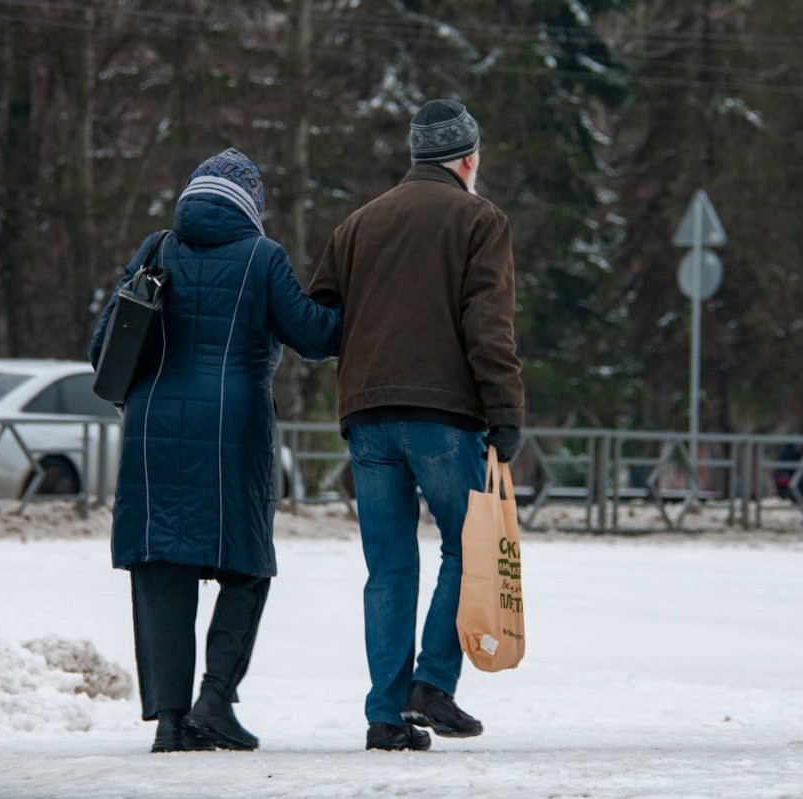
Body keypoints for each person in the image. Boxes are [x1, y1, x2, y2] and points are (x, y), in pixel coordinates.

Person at [88, 148, 340, 753]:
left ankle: (171, 722)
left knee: (161, 568)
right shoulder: (263, 257)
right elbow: (313, 335)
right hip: (234, 427)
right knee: (246, 566)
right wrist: (358, 301)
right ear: (251, 203)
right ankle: (216, 702)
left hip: (151, 427)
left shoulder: (156, 249)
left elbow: (104, 347)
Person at [309, 99, 525, 752]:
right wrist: (507, 409)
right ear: (466, 159)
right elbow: (487, 324)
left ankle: (384, 714)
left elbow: (320, 320)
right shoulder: (479, 219)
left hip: (367, 419)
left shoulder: (357, 224)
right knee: (470, 546)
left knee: (389, 567)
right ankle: (432, 682)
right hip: (441, 417)